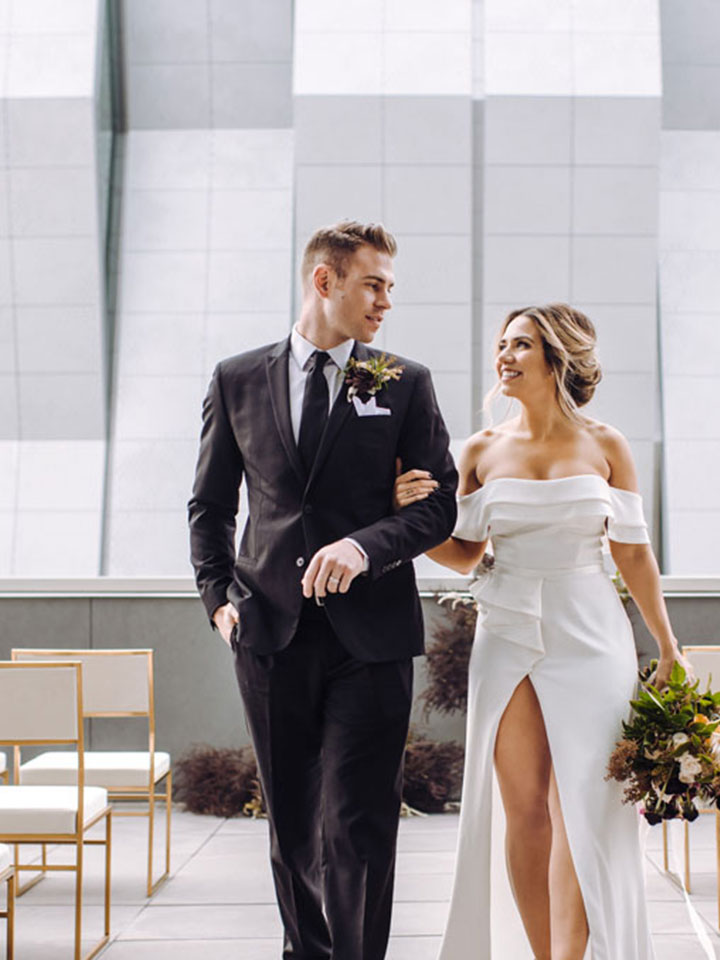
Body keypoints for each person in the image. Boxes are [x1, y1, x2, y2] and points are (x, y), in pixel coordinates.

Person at [188, 221, 459, 960]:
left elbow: (440, 506)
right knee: (294, 822)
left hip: (371, 638)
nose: (385, 303)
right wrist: (219, 600)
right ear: (324, 281)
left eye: (390, 288)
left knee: (361, 821)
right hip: (267, 632)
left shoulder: (405, 381)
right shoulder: (236, 377)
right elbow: (211, 508)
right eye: (373, 285)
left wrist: (365, 545)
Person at [399, 303, 685, 960]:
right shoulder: (477, 450)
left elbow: (634, 553)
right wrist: (411, 517)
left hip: (592, 634)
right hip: (507, 634)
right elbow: (465, 553)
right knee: (524, 810)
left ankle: (575, 954)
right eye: (501, 344)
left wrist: (669, 647)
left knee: (584, 809)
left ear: (557, 357)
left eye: (520, 344)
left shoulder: (606, 445)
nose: (503, 355)